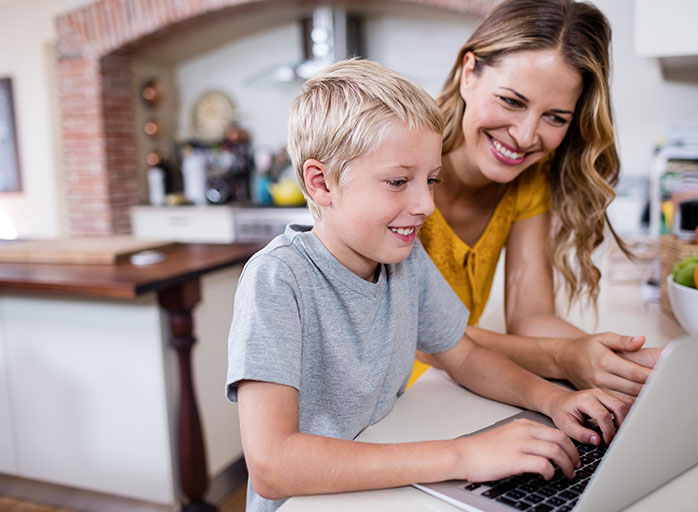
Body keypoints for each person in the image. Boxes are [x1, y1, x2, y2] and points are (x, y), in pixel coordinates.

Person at [226, 59, 627, 512]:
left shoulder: (405, 261)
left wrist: (554, 399)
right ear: (321, 183)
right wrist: (463, 455)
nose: (425, 205)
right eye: (399, 181)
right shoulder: (279, 280)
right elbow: (273, 465)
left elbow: (464, 355)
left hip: (383, 488)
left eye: (431, 180)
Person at [414, 0, 661, 398]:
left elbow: (530, 317)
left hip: (443, 396)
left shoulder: (528, 180)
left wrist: (615, 362)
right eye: (512, 101)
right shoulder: (399, 168)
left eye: (556, 117)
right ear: (468, 74)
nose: (526, 136)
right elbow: (414, 336)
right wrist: (565, 357)